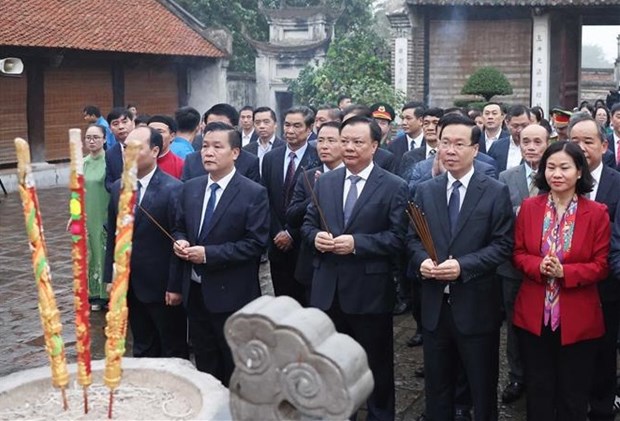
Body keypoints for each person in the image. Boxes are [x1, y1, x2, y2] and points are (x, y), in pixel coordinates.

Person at [408, 113, 514, 421]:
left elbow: (502, 245)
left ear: (475, 149)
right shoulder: (426, 190)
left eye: (458, 144)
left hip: (476, 306)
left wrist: (462, 266)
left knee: (482, 388)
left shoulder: (494, 191)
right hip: (434, 306)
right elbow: (411, 239)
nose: (450, 150)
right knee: (437, 388)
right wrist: (421, 261)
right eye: (444, 143)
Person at [302, 115, 408, 421]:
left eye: (357, 142)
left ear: (375, 145)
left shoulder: (393, 186)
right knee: (332, 363)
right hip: (327, 290)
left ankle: (379, 415)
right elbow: (309, 223)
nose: (348, 147)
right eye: (343, 141)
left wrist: (358, 243)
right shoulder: (327, 181)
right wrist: (315, 237)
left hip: (369, 291)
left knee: (375, 364)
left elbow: (398, 238)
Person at [513, 141, 609, 421]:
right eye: (551, 167)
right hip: (534, 314)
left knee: (573, 393)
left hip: (578, 317)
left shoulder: (597, 212)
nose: (557, 173)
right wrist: (538, 265)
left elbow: (601, 266)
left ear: (579, 172)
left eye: (564, 167)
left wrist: (565, 272)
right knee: (538, 390)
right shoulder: (530, 208)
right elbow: (517, 253)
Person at [172, 122, 269, 386]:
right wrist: (179, 242)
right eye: (204, 146)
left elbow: (255, 244)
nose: (208, 153)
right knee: (205, 360)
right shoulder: (190, 188)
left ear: (235, 152)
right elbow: (179, 227)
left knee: (234, 364)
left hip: (233, 294)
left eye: (217, 147)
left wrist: (208, 255)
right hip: (196, 291)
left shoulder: (253, 193)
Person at [104, 127, 188, 359]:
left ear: (154, 151)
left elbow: (178, 236)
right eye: (126, 148)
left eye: (136, 148)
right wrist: (110, 278)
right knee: (141, 346)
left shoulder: (174, 189)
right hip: (129, 284)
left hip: (162, 286)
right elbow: (112, 233)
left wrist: (175, 285)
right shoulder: (117, 188)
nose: (128, 153)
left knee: (172, 347)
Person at [568, 113, 620, 421]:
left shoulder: (617, 184)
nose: (581, 148)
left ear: (603, 145)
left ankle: (602, 405)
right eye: (574, 141)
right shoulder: (559, 177)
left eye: (588, 141)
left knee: (603, 350)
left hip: (605, 287)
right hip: (564, 285)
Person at [497, 123, 550, 404]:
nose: (531, 147)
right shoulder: (506, 177)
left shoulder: (556, 175)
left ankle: (543, 374)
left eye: (537, 142)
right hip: (512, 265)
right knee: (515, 324)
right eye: (525, 141)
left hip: (550, 266)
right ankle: (517, 375)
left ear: (547, 143)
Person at [262, 106, 320, 304]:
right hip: (276, 241)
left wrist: (290, 233)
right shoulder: (271, 157)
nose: (290, 130)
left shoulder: (317, 158)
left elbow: (315, 204)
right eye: (287, 125)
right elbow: (266, 198)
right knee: (282, 300)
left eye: (297, 126)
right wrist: (277, 232)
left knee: (305, 300)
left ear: (309, 129)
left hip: (302, 241)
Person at [286, 121, 344, 302]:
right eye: (320, 141)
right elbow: (292, 216)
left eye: (331, 141)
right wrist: (317, 194)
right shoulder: (307, 176)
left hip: (350, 266)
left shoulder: (355, 177)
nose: (324, 146)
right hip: (314, 265)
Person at [181, 108, 260, 183]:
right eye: (211, 126)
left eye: (217, 147)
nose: (209, 153)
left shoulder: (250, 162)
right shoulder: (191, 160)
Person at [82, 124, 110, 311]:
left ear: (104, 139)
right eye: (88, 137)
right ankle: (94, 294)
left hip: (105, 212)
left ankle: (107, 293)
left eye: (96, 137)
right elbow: (77, 191)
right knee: (90, 252)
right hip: (88, 214)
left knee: (104, 251)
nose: (91, 141)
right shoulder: (82, 162)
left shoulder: (111, 161)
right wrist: (75, 215)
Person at [488, 105, 531, 173]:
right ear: (507, 123)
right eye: (515, 126)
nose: (520, 130)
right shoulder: (497, 146)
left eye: (524, 125)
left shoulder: (536, 147)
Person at [243, 106, 284, 172]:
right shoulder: (246, 150)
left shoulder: (284, 147)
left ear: (275, 124)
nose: (261, 126)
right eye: (257, 122)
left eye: (266, 122)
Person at [104, 107, 135, 191]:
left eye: (124, 122)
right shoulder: (110, 154)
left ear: (133, 123)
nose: (121, 127)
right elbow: (108, 183)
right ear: (110, 129)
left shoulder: (147, 147)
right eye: (115, 124)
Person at [389, 102, 426, 171]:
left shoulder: (430, 143)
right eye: (403, 118)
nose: (404, 123)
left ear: (421, 121)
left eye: (408, 118)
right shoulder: (394, 146)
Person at [148, 115, 184, 179]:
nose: (154, 135)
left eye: (159, 132)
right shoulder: (139, 162)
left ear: (172, 136)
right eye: (150, 131)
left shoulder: (180, 165)